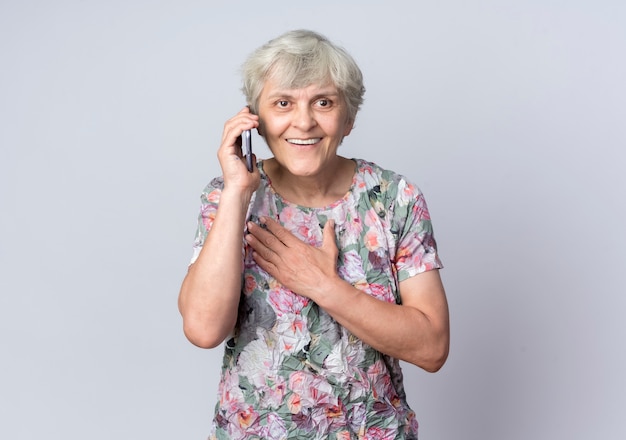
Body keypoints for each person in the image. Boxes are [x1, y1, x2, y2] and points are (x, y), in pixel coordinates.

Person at [178, 29, 450, 440]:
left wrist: (324, 286)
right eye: (283, 103)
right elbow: (202, 328)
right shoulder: (227, 196)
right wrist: (237, 191)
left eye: (323, 103)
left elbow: (431, 348)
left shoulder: (394, 198)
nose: (303, 121)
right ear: (255, 117)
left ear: (349, 118)